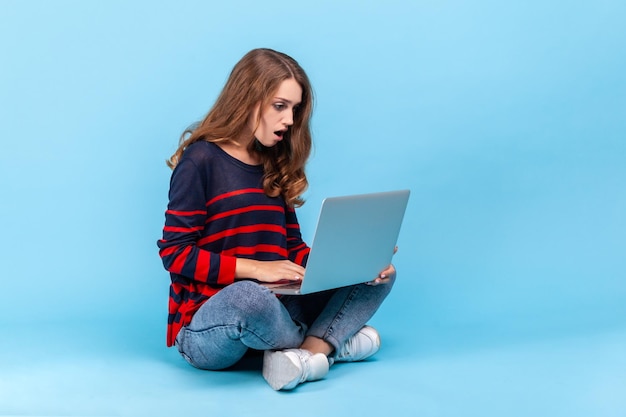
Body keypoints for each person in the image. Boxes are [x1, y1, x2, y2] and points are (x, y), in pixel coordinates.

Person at [157, 48, 396, 391]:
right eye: (280, 106)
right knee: (248, 296)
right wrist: (256, 269)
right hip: (210, 326)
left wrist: (348, 261)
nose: (290, 120)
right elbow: (175, 254)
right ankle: (331, 342)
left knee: (380, 275)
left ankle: (311, 354)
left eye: (295, 109)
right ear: (247, 99)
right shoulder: (200, 161)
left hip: (278, 310)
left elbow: (292, 248)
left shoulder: (274, 161)